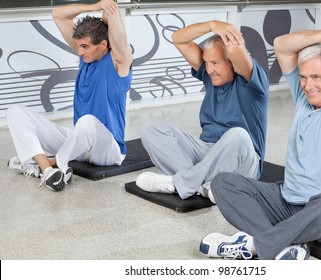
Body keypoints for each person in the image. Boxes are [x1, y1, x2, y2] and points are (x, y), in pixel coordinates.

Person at [199, 30, 321, 260]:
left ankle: (255, 245)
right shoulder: (303, 99)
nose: (308, 85)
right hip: (287, 203)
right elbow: (281, 44)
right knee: (222, 183)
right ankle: (284, 247)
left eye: (316, 77)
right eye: (303, 77)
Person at [7, 0, 133, 192]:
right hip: (79, 142)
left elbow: (115, 25)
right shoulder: (86, 57)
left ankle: (49, 162)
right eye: (79, 46)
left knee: (87, 121)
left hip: (108, 149)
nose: (80, 52)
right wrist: (94, 6)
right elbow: (58, 13)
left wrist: (110, 10)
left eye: (84, 47)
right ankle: (47, 169)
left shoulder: (119, 61)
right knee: (15, 111)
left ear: (103, 44)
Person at [135, 20, 269, 200]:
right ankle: (206, 186)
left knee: (238, 135)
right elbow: (178, 39)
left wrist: (227, 32)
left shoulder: (252, 83)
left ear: (232, 63)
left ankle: (178, 184)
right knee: (149, 128)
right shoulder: (209, 75)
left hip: (243, 159)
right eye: (206, 62)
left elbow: (237, 52)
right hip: (207, 152)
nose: (209, 69)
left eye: (215, 62)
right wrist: (212, 25)